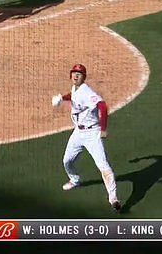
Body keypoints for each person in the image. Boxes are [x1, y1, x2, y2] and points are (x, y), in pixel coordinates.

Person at [52, 64, 121, 212]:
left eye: (79, 74)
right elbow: (73, 96)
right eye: (74, 73)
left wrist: (103, 129)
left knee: (103, 166)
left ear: (84, 77)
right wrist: (62, 98)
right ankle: (75, 180)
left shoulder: (87, 92)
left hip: (92, 134)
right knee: (67, 160)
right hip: (78, 133)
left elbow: (102, 106)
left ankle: (113, 198)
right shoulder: (75, 89)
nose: (76, 76)